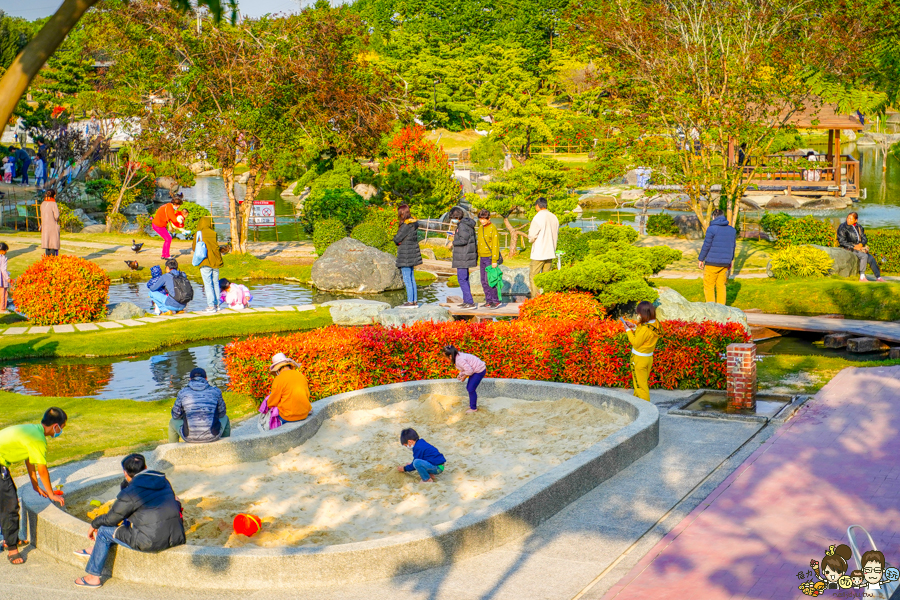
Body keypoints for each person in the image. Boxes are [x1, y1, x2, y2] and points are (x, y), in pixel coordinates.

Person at [74, 454, 185, 588]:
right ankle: (98, 548)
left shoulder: (130, 492)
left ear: (125, 473)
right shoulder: (162, 480)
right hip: (176, 535)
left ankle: (93, 577)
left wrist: (94, 524)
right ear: (146, 467)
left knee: (104, 531)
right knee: (128, 514)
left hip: (149, 541)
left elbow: (111, 518)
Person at [0, 407, 68, 565]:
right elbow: (42, 470)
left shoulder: (32, 430)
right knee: (10, 506)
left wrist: (35, 485)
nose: (60, 431)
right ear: (55, 426)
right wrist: (51, 494)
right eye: (62, 428)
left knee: (6, 500)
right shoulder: (38, 439)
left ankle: (9, 538)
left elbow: (29, 459)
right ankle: (12, 549)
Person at [169, 368, 230, 443]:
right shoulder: (215, 391)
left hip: (189, 437)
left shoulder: (183, 393)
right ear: (206, 378)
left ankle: (173, 449)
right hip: (212, 436)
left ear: (190, 379)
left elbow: (175, 415)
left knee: (172, 422)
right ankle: (225, 445)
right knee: (225, 418)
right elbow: (222, 413)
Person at [624, 301, 661, 402]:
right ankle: (637, 404)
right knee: (640, 384)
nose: (638, 315)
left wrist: (628, 330)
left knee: (641, 387)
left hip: (639, 359)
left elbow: (636, 342)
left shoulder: (645, 329)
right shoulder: (655, 323)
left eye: (638, 313)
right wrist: (634, 326)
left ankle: (647, 410)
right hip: (648, 358)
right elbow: (646, 336)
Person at [698, 209, 736, 304]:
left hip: (712, 262)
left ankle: (712, 312)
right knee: (721, 286)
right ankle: (721, 310)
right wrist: (730, 260)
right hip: (725, 263)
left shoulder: (711, 229)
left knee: (709, 286)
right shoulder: (732, 230)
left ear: (714, 217)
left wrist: (701, 259)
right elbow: (732, 246)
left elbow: (706, 245)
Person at [837, 212, 885, 282]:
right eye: (848, 218)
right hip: (848, 248)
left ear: (855, 220)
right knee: (864, 256)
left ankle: (878, 277)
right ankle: (862, 277)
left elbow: (864, 238)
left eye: (851, 219)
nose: (848, 220)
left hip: (859, 248)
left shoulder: (859, 227)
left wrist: (861, 244)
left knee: (871, 258)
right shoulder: (842, 227)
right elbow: (841, 241)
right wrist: (853, 246)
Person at [527, 197, 559, 298]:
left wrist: (530, 239)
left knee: (534, 276)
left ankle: (536, 299)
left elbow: (532, 236)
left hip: (539, 252)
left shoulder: (538, 217)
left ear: (537, 206)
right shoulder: (554, 217)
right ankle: (547, 298)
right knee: (547, 277)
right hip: (550, 251)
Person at [266, 353, 312, 424]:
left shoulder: (278, 379)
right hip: (304, 414)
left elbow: (272, 402)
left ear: (278, 370)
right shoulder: (300, 375)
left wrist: (268, 403)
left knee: (274, 412)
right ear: (289, 366)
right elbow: (307, 394)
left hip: (288, 417)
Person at [192, 216, 223, 313]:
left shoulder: (198, 234)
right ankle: (217, 305)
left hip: (204, 261)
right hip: (215, 262)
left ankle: (211, 306)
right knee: (215, 283)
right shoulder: (214, 233)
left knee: (208, 284)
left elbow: (194, 248)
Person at [448, 207, 478, 310]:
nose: (452, 220)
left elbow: (463, 240)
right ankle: (466, 300)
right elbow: (464, 237)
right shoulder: (465, 224)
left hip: (463, 256)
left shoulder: (462, 226)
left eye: (452, 217)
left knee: (461, 279)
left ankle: (470, 302)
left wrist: (452, 242)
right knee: (465, 279)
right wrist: (455, 234)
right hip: (465, 256)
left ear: (456, 216)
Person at [443, 345, 486, 413]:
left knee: (471, 388)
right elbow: (466, 368)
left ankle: (473, 408)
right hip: (475, 369)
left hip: (479, 370)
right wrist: (460, 375)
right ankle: (472, 404)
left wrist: (464, 377)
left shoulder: (459, 360)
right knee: (469, 388)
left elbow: (469, 371)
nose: (445, 359)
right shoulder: (457, 356)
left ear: (450, 356)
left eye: (445, 357)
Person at [393, 203, 422, 308]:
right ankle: (414, 301)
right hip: (412, 254)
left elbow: (397, 238)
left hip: (405, 254)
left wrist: (397, 241)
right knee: (412, 277)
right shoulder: (414, 223)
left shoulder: (405, 225)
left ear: (401, 213)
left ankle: (410, 302)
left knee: (407, 278)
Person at [476, 209, 501, 309]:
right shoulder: (480, 228)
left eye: (484, 219)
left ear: (489, 218)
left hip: (490, 258)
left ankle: (496, 300)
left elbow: (495, 245)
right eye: (481, 219)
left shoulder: (493, 228)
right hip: (482, 257)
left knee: (490, 280)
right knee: (483, 280)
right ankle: (488, 300)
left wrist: (494, 260)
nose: (482, 221)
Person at [152, 195, 185, 260]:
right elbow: (174, 220)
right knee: (168, 239)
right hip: (158, 225)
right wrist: (181, 220)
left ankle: (164, 255)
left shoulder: (168, 205)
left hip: (157, 224)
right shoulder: (170, 209)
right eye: (179, 205)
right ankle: (166, 255)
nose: (179, 207)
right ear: (176, 204)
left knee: (167, 239)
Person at [40, 189, 61, 257]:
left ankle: (47, 260)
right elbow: (56, 216)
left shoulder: (43, 203)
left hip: (44, 226)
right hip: (52, 226)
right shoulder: (53, 204)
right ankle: (52, 260)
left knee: (47, 244)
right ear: (54, 195)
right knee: (53, 244)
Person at [0, 242, 9, 314]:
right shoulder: (3, 258)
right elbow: (3, 269)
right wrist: (7, 278)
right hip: (1, 279)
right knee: (3, 293)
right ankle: (2, 309)